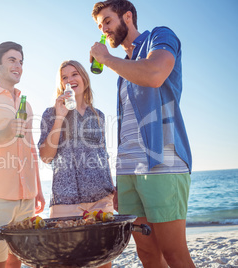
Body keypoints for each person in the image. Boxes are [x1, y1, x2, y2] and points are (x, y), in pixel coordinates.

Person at [90, 1, 195, 267]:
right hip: (128, 170)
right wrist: (119, 180)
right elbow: (127, 128)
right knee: (146, 253)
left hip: (162, 162)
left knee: (174, 253)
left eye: (108, 21)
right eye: (100, 25)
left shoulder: (160, 37)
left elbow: (156, 74)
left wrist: (106, 59)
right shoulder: (122, 69)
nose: (104, 29)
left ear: (127, 16)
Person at [0, 41, 45, 268]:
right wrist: (3, 134)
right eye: (12, 60)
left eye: (21, 62)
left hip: (27, 199)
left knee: (17, 261)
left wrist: (38, 191)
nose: (18, 66)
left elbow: (31, 150)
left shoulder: (27, 105)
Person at [38, 60, 115, 268]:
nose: (70, 80)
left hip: (101, 199)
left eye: (75, 74)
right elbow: (46, 156)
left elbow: (103, 155)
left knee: (103, 262)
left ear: (84, 78)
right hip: (66, 202)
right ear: (61, 84)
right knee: (68, 262)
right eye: (65, 77)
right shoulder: (50, 113)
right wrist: (60, 118)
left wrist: (113, 190)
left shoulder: (97, 116)